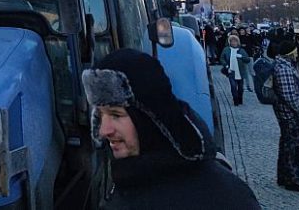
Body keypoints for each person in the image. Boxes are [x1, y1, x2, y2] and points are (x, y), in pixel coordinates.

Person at [82, 48, 260, 209]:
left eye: (116, 115)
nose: (104, 130)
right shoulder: (131, 179)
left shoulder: (220, 196)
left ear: (150, 117)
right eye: (100, 115)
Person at [271, 38, 299, 192]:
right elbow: (289, 96)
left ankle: (283, 176)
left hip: (288, 113)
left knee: (286, 145)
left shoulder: (285, 65)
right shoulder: (284, 69)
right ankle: (292, 179)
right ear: (290, 52)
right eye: (295, 51)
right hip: (290, 115)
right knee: (293, 148)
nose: (297, 53)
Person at [219, 34, 251, 106]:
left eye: (235, 41)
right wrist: (226, 66)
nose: (233, 43)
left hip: (240, 72)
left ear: (238, 42)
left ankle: (240, 98)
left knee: (240, 87)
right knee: (233, 86)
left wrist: (241, 57)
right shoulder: (226, 49)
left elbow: (248, 59)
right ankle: (235, 99)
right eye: (232, 41)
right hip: (231, 71)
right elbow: (222, 58)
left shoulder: (241, 50)